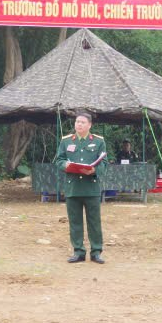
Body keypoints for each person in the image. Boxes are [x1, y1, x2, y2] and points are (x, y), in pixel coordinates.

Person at [56, 112, 108, 264]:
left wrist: (94, 170)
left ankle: (96, 252)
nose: (79, 124)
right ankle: (78, 251)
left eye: (82, 122)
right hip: (73, 187)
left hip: (91, 187)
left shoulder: (98, 141)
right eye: (77, 121)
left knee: (94, 222)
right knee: (75, 221)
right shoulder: (66, 141)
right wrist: (65, 165)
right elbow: (59, 160)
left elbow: (104, 163)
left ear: (89, 125)